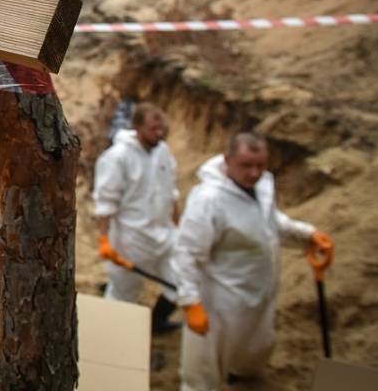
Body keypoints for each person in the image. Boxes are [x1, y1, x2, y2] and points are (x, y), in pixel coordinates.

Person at [172, 133, 333, 390]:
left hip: (257, 291)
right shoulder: (209, 199)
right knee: (204, 366)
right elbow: (187, 253)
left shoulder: (262, 185)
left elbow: (270, 223)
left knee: (254, 347)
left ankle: (242, 376)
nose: (255, 172)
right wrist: (191, 302)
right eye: (246, 165)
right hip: (221, 299)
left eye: (261, 165)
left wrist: (307, 235)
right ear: (228, 160)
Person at [93, 102, 181, 333]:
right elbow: (106, 201)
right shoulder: (117, 157)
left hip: (163, 237)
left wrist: (177, 225)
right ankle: (116, 340)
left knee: (179, 282)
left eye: (161, 128)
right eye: (154, 129)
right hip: (130, 241)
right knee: (123, 296)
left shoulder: (163, 152)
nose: (159, 133)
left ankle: (157, 323)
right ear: (137, 127)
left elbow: (171, 193)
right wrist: (104, 238)